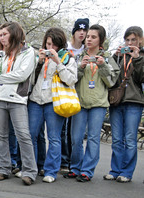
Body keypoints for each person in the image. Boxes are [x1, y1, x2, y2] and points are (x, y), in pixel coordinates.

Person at [65, 24, 119, 182]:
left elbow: (111, 82)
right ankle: (75, 168)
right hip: (80, 103)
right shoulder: (79, 56)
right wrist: (80, 68)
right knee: (76, 138)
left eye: (93, 37)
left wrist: (102, 66)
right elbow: (71, 80)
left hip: (98, 104)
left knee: (93, 138)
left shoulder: (107, 57)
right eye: (88, 36)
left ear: (101, 40)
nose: (89, 39)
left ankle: (87, 171)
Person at [28, 27, 78, 183]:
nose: (50, 48)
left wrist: (57, 62)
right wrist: (39, 62)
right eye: (48, 44)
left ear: (60, 45)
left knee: (54, 137)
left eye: (54, 45)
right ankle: (32, 168)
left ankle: (51, 171)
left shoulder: (67, 58)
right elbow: (30, 80)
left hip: (54, 101)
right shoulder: (40, 57)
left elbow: (71, 79)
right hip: (36, 99)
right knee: (32, 135)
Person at [0, 21, 37, 185]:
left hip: (17, 99)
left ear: (15, 34)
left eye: (5, 34)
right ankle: (4, 168)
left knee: (23, 135)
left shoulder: (28, 52)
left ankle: (30, 171)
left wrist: (1, 78)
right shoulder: (0, 53)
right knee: (1, 135)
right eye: (0, 35)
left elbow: (22, 75)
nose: (1, 38)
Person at [104, 26, 144, 183]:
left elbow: (141, 77)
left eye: (133, 39)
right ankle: (115, 169)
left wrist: (137, 58)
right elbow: (111, 75)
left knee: (130, 138)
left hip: (134, 102)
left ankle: (127, 172)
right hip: (117, 100)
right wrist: (115, 56)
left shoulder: (141, 56)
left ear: (140, 39)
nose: (130, 42)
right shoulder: (120, 56)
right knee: (117, 138)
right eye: (127, 39)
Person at [61, 18, 89, 173]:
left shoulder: (87, 51)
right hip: (65, 92)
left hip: (80, 93)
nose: (82, 33)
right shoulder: (67, 48)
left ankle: (74, 161)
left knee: (75, 131)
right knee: (63, 129)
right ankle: (64, 160)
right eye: (79, 30)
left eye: (84, 31)